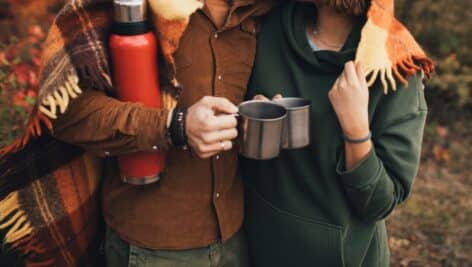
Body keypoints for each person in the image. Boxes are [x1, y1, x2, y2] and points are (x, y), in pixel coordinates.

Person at [0, 0, 273, 266]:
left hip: (236, 238)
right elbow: (68, 114)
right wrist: (174, 125)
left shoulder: (261, 11)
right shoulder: (126, 7)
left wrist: (257, 109)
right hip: (152, 247)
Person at [241, 0, 434, 266]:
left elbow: (380, 202)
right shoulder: (267, 25)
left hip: (341, 257)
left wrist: (356, 129)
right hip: (255, 245)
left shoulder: (393, 65)